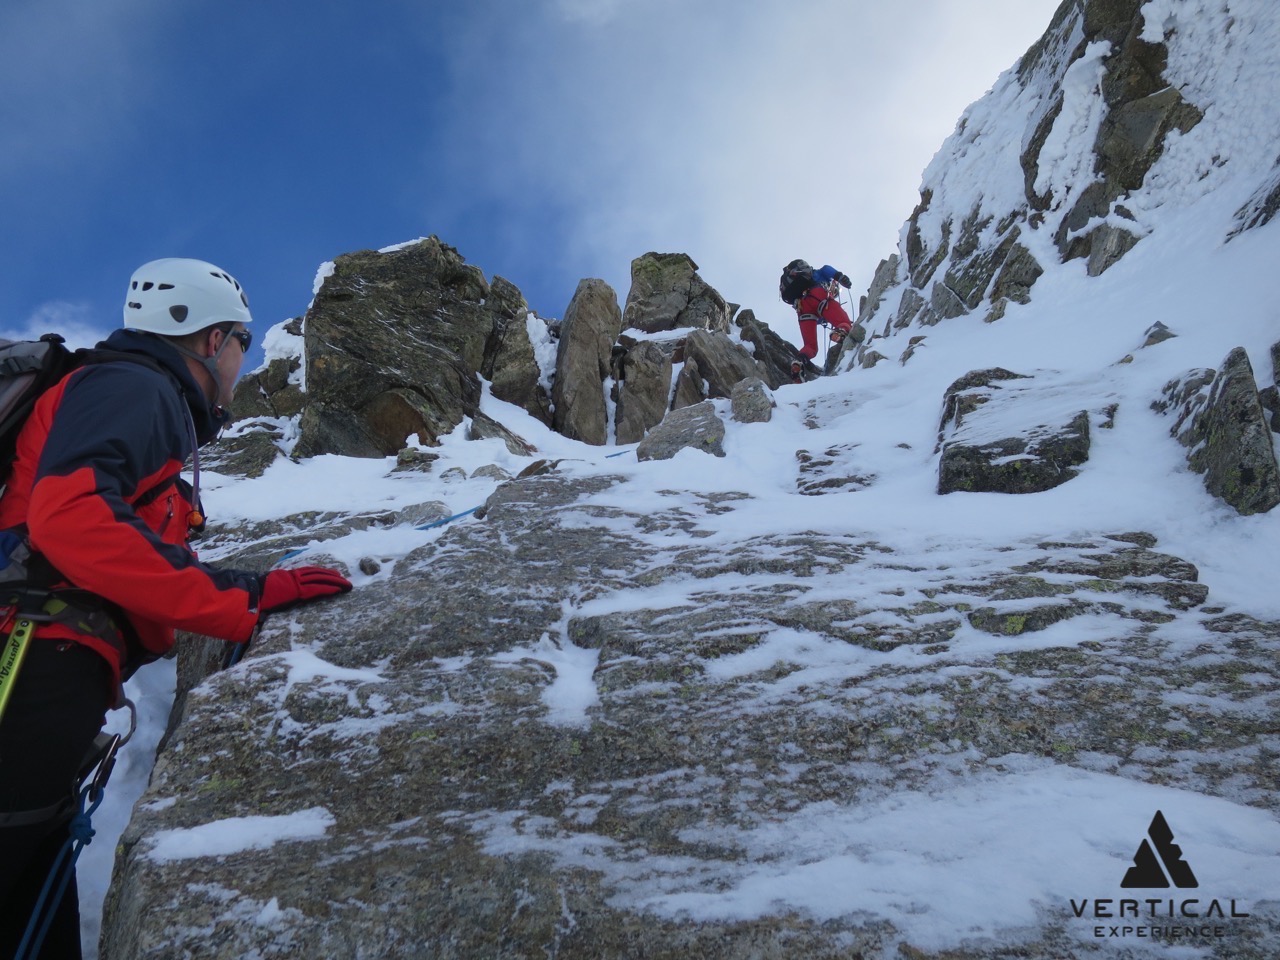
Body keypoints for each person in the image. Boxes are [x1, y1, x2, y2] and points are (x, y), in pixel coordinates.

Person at [0, 258, 352, 959]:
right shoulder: (136, 385)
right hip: (32, 657)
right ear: (205, 339)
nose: (242, 364)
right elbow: (72, 518)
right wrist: (240, 600)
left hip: (53, 666)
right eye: (242, 343)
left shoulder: (133, 396)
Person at [789, 263, 854, 383]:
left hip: (802, 308)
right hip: (818, 295)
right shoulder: (818, 274)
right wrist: (839, 277)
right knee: (844, 322)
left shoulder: (801, 283)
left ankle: (799, 362)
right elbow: (826, 269)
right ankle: (841, 332)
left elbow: (817, 317)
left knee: (811, 346)